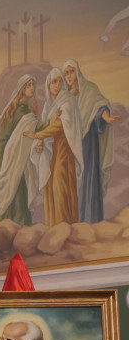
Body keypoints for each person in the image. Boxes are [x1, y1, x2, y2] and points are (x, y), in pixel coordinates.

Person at [62, 59, 121, 223]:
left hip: (88, 143)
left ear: (78, 72)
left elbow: (99, 107)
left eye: (71, 71)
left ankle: (90, 220)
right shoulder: (65, 96)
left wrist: (107, 118)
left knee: (88, 180)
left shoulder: (89, 89)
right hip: (71, 146)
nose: (69, 76)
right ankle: (74, 221)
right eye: (66, 73)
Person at [24, 67, 82, 226]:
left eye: (59, 81)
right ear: (48, 85)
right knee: (50, 187)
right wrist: (41, 142)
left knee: (60, 186)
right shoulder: (49, 106)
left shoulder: (67, 100)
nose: (57, 85)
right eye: (53, 82)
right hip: (51, 153)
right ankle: (53, 226)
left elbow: (59, 126)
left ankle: (65, 224)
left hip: (64, 149)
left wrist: (38, 136)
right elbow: (46, 125)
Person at [0, 75, 40, 226]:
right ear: (22, 90)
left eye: (33, 84)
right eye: (28, 85)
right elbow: (28, 130)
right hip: (11, 157)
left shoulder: (15, 108)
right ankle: (17, 229)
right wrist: (35, 117)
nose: (32, 87)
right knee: (17, 191)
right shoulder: (22, 111)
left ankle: (7, 229)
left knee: (15, 190)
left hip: (6, 155)